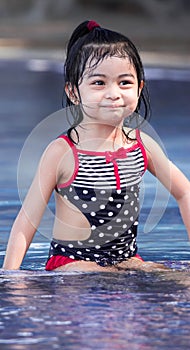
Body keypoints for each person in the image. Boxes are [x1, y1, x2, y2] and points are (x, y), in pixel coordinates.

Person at [3, 20, 190, 272]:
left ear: (140, 87)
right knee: (108, 279)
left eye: (124, 82)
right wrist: (10, 278)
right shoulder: (63, 152)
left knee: (179, 280)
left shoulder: (141, 144)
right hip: (71, 264)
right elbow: (28, 219)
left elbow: (184, 192)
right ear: (73, 92)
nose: (114, 93)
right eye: (99, 83)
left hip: (126, 260)